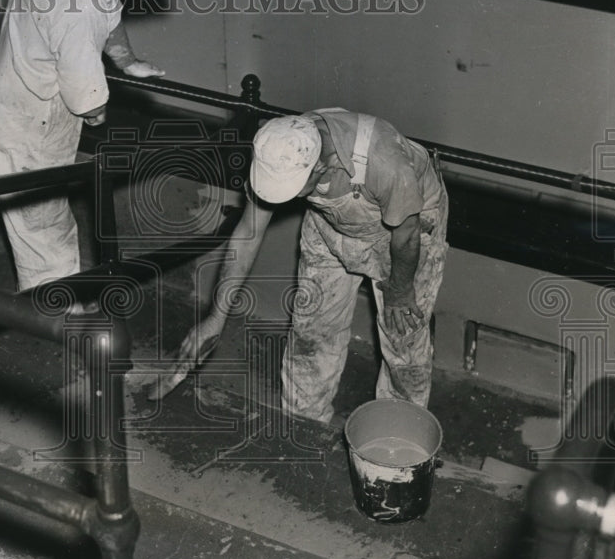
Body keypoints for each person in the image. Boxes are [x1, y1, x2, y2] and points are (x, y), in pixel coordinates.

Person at [149, 109, 448, 424]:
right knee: (311, 332)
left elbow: (406, 236)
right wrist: (215, 318)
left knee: (403, 342)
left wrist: (400, 292)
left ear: (321, 168)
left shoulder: (384, 162)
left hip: (404, 235)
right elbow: (248, 232)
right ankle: (303, 425)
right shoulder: (280, 147)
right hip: (329, 225)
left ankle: (395, 439)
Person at [0, 0, 181, 291]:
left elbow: (107, 9)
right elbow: (86, 100)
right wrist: (96, 113)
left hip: (14, 92)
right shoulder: (80, 4)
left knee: (43, 221)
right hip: (29, 122)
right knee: (43, 229)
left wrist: (126, 60)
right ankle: (55, 315)